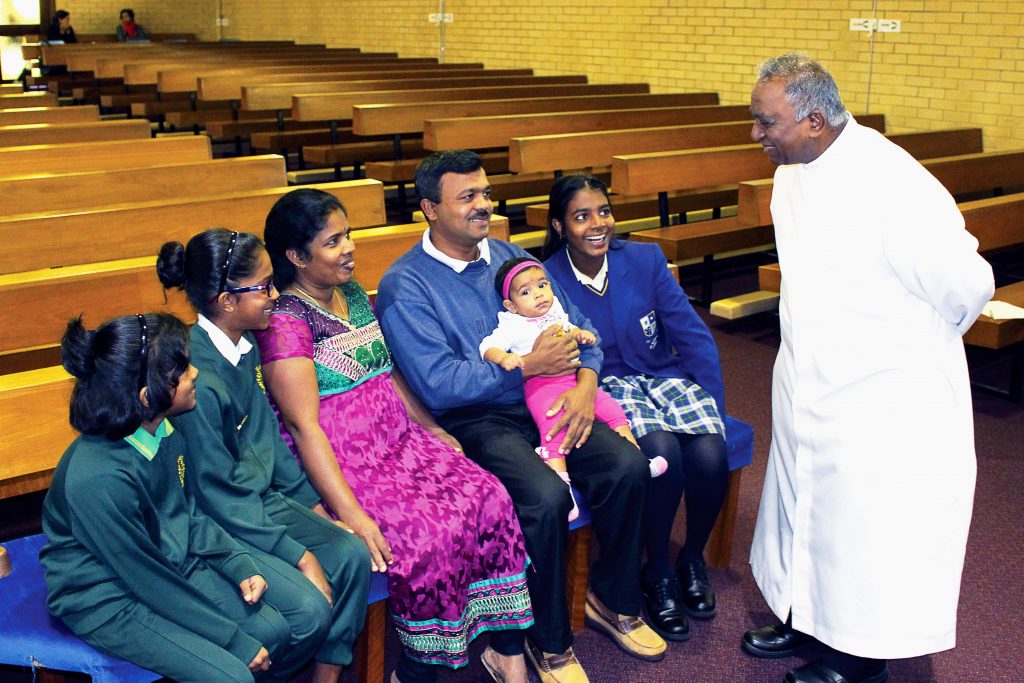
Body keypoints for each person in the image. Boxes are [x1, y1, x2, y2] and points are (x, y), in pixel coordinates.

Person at [743, 54, 994, 683]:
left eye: (766, 122)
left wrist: (896, 350)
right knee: (803, 508)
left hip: (881, 395)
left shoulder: (891, 184)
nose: (757, 135)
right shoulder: (792, 172)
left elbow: (969, 285)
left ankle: (858, 657)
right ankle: (805, 619)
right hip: (810, 381)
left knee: (863, 532)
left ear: (816, 120)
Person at [375, 150, 666, 683]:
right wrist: (528, 367)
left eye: (485, 193)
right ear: (429, 209)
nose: (484, 205)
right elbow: (438, 383)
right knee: (544, 497)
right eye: (468, 197)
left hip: (555, 398)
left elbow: (581, 331)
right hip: (476, 419)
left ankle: (613, 599)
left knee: (625, 465)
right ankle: (547, 640)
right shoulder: (407, 284)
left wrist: (584, 386)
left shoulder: (511, 257)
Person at [255, 188, 533, 683]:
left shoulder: (354, 293)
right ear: (296, 257)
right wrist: (352, 514)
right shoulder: (285, 324)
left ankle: (506, 651)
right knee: (429, 534)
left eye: (348, 236)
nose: (349, 249)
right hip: (345, 463)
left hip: (400, 442)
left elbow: (388, 373)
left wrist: (431, 427)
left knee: (490, 495)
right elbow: (302, 426)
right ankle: (421, 667)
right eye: (333, 242)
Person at [156, 229, 373, 683]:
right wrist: (301, 556)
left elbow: (270, 440)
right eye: (264, 287)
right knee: (308, 611)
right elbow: (216, 495)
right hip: (223, 518)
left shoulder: (246, 344)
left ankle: (326, 677)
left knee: (350, 552)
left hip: (259, 501)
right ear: (226, 301)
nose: (276, 295)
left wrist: (316, 513)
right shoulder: (197, 379)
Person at [40, 313, 287, 683]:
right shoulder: (98, 477)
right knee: (232, 675)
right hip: (107, 599)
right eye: (182, 369)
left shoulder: (162, 430)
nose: (195, 374)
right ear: (147, 396)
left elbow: (184, 515)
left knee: (274, 631)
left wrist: (237, 563)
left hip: (162, 564)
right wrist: (232, 639)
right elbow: (144, 576)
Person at [541, 174, 730, 645]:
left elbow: (690, 333)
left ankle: (691, 558)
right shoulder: (548, 278)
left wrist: (712, 404)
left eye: (603, 211)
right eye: (581, 216)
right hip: (603, 390)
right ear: (560, 226)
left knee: (710, 453)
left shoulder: (643, 259)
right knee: (663, 452)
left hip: (662, 377)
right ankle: (659, 572)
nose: (597, 224)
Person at [481, 256, 648, 522]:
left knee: (613, 410)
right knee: (554, 431)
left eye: (542, 285)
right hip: (541, 386)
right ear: (511, 305)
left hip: (571, 380)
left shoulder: (555, 311)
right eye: (526, 292)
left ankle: (640, 456)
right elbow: (487, 347)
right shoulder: (512, 324)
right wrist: (504, 358)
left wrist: (581, 334)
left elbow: (570, 328)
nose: (538, 295)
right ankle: (565, 489)